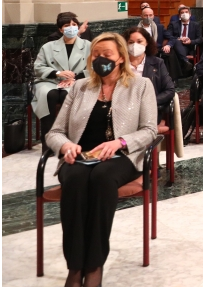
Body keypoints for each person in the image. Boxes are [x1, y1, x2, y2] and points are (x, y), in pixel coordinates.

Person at [46, 32, 158, 287]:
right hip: (79, 156)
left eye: (106, 55)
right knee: (74, 180)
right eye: (96, 55)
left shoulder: (141, 86)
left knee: (101, 177)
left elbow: (150, 130)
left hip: (120, 156)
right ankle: (75, 267)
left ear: (120, 57)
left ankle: (94, 264)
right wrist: (66, 146)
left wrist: (120, 142)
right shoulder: (80, 87)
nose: (100, 59)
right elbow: (54, 132)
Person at [33, 12, 92, 148]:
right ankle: (47, 142)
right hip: (50, 81)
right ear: (60, 29)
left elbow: (94, 67)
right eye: (67, 25)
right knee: (49, 95)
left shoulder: (88, 45)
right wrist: (58, 73)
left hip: (77, 82)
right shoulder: (48, 46)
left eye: (74, 24)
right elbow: (38, 67)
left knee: (68, 94)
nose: (71, 27)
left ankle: (70, 142)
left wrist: (75, 78)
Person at [123, 27, 175, 123]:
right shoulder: (120, 64)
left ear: (146, 43)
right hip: (124, 110)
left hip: (149, 110)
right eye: (131, 42)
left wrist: (148, 102)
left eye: (139, 41)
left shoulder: (157, 63)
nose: (135, 45)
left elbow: (170, 90)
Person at [163, 5, 202, 80]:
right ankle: (185, 61)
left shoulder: (196, 25)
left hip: (189, 47)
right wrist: (179, 39)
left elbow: (200, 39)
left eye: (186, 12)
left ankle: (175, 77)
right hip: (176, 46)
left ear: (190, 14)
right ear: (179, 15)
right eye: (182, 12)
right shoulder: (173, 24)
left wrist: (190, 41)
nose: (184, 14)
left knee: (172, 53)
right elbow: (168, 35)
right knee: (176, 42)